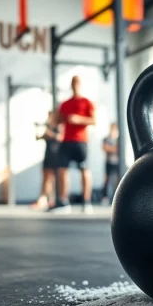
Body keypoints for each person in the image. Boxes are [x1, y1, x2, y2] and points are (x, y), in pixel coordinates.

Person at [53, 75, 96, 214]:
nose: (75, 85)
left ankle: (86, 202)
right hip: (66, 141)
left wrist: (78, 119)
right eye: (73, 83)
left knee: (84, 170)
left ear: (80, 84)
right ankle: (63, 203)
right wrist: (55, 117)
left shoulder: (87, 102)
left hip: (81, 141)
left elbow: (93, 120)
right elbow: (57, 121)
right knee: (62, 170)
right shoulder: (65, 104)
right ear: (71, 85)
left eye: (77, 82)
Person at [30, 111, 61, 211]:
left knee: (51, 178)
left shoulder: (59, 127)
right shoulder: (48, 127)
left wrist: (50, 133)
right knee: (46, 177)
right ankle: (46, 199)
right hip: (47, 155)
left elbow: (60, 138)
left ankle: (48, 199)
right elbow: (38, 137)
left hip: (55, 155)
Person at [101, 123, 120, 205]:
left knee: (117, 180)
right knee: (107, 179)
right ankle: (104, 197)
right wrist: (114, 149)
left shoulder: (119, 139)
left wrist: (111, 148)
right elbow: (105, 148)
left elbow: (119, 149)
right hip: (109, 162)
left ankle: (116, 198)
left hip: (117, 162)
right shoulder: (106, 138)